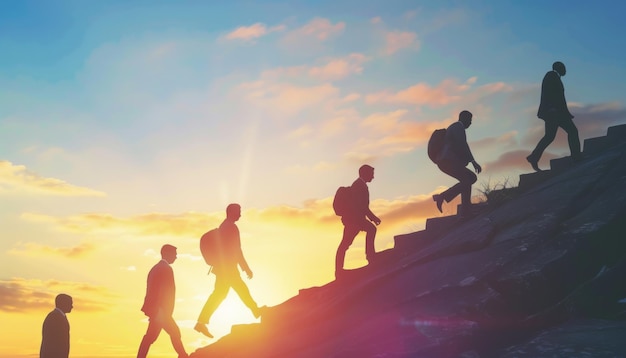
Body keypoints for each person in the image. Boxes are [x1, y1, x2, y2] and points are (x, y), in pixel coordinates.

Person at [194, 203, 263, 338]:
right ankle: (255, 310)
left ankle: (201, 322)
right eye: (238, 211)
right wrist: (246, 268)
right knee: (239, 288)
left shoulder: (224, 226)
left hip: (222, 267)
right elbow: (237, 249)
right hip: (228, 267)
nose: (240, 214)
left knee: (220, 294)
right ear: (231, 212)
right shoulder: (231, 227)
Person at [527, 61, 581, 171]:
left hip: (559, 113)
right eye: (564, 68)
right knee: (569, 132)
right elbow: (549, 93)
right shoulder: (551, 75)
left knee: (552, 136)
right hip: (554, 112)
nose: (565, 70)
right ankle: (576, 157)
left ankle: (534, 157)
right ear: (559, 68)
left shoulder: (556, 77)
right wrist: (551, 108)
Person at [137, 244, 188, 358]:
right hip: (161, 311)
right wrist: (161, 312)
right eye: (175, 254)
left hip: (157, 311)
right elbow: (163, 292)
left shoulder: (156, 268)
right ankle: (183, 355)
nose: (176, 257)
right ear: (167, 254)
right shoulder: (165, 269)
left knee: (151, 336)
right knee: (174, 332)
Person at [335, 164, 382, 279]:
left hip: (356, 220)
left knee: (346, 244)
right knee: (345, 244)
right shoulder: (359, 185)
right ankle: (339, 271)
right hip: (354, 221)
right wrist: (373, 218)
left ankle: (370, 256)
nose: (373, 177)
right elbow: (361, 206)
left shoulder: (360, 185)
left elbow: (361, 206)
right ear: (365, 173)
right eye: (372, 174)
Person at [432, 110, 482, 217]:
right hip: (447, 161)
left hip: (447, 161)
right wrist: (473, 162)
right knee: (468, 180)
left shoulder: (456, 128)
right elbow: (462, 144)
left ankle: (465, 211)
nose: (470, 123)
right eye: (469, 120)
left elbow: (461, 145)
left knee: (470, 178)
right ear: (463, 118)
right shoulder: (457, 127)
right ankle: (443, 198)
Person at [40, 293, 73, 358]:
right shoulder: (54, 317)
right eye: (70, 303)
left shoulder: (59, 316)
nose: (72, 306)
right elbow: (52, 342)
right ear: (63, 304)